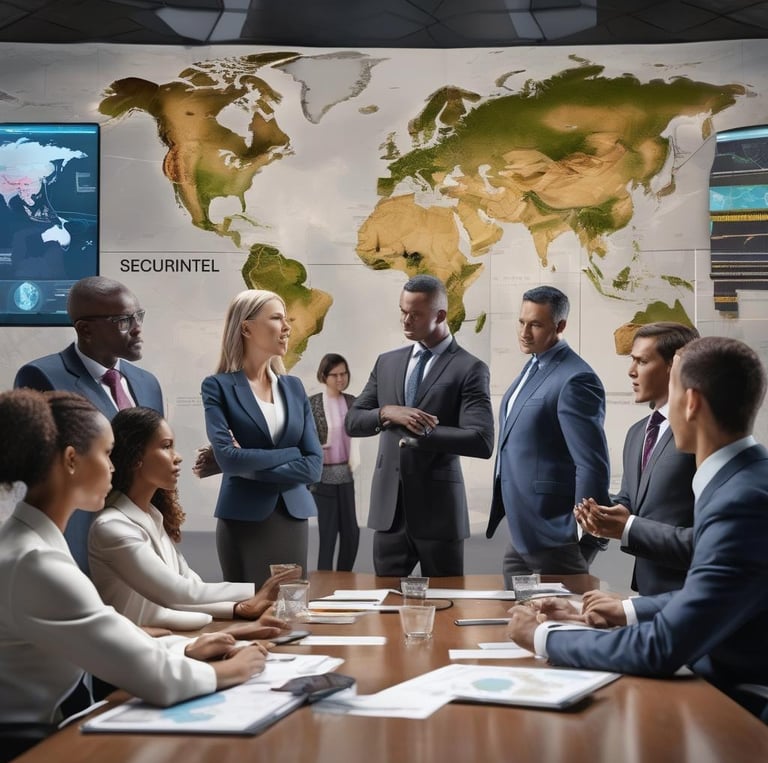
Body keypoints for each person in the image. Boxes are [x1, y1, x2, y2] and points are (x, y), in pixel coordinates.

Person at [507, 336, 768, 721]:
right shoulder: (744, 480)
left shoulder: (741, 501)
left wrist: (543, 637)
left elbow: (662, 648)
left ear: (691, 402)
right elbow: (714, 593)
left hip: (738, 710)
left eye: (673, 390)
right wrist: (621, 611)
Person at [0, 389, 267, 760]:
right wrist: (236, 669)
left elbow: (103, 631)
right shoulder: (34, 561)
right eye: (107, 454)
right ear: (72, 460)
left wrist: (183, 647)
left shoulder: (28, 543)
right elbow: (156, 679)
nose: (113, 467)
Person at [89, 406, 301, 631]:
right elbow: (176, 592)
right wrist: (257, 589)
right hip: (136, 655)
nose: (177, 456)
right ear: (136, 457)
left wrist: (238, 609)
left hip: (165, 643)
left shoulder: (153, 518)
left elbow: (191, 586)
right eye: (166, 446)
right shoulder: (113, 527)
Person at [346, 274, 494, 577]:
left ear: (440, 315)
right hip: (389, 515)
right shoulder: (386, 362)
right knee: (385, 611)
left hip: (439, 516)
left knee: (447, 610)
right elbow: (353, 421)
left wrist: (420, 433)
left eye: (415, 314)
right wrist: (388, 412)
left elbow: (481, 440)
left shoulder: (470, 368)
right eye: (402, 310)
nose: (405, 320)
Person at [14, 275, 163, 573]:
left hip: (144, 541)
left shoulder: (148, 384)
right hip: (80, 542)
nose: (137, 328)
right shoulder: (41, 377)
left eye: (138, 316)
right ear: (85, 329)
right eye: (123, 320)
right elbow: (39, 473)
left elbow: (154, 467)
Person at [486, 285, 610, 585]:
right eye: (521, 322)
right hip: (524, 526)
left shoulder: (576, 378)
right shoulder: (533, 366)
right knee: (517, 613)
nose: (525, 332)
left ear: (560, 326)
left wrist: (584, 532)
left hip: (553, 529)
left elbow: (591, 463)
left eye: (536, 324)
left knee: (565, 618)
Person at [201, 289, 322, 589]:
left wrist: (247, 461)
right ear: (246, 327)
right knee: (247, 612)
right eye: (277, 318)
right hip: (242, 520)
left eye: (286, 319)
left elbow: (314, 466)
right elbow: (228, 458)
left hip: (292, 518)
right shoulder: (217, 387)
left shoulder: (294, 388)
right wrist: (291, 452)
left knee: (291, 612)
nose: (287, 327)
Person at [574, 322, 699, 594]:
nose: (631, 372)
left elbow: (711, 538)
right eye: (632, 360)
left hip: (690, 590)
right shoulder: (637, 433)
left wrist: (628, 526)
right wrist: (609, 513)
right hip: (646, 589)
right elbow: (632, 498)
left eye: (641, 361)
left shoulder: (701, 434)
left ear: (674, 366)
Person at [309, 353, 359, 571]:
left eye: (344, 373)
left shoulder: (353, 402)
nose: (341, 379)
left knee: (351, 533)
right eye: (335, 375)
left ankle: (344, 578)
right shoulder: (313, 403)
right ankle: (324, 581)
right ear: (324, 376)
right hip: (323, 477)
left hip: (346, 476)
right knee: (328, 535)